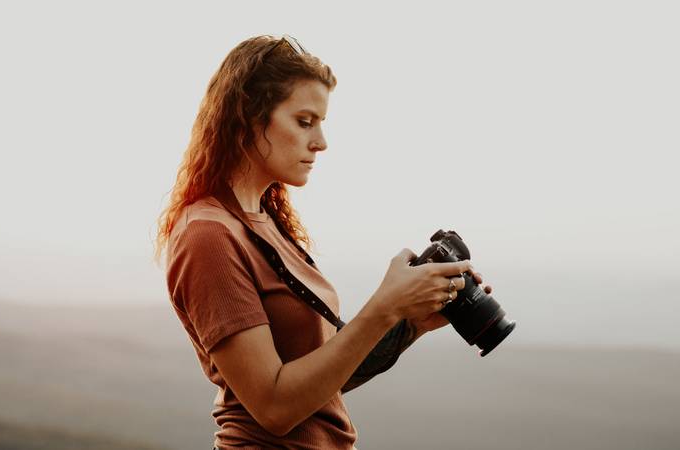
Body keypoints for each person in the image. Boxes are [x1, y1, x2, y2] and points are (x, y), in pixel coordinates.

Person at [155, 35, 493, 450]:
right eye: (303, 121)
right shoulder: (207, 234)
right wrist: (383, 305)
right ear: (248, 114)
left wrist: (409, 323)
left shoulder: (263, 222)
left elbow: (322, 381)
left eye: (321, 123)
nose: (320, 142)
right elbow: (275, 407)